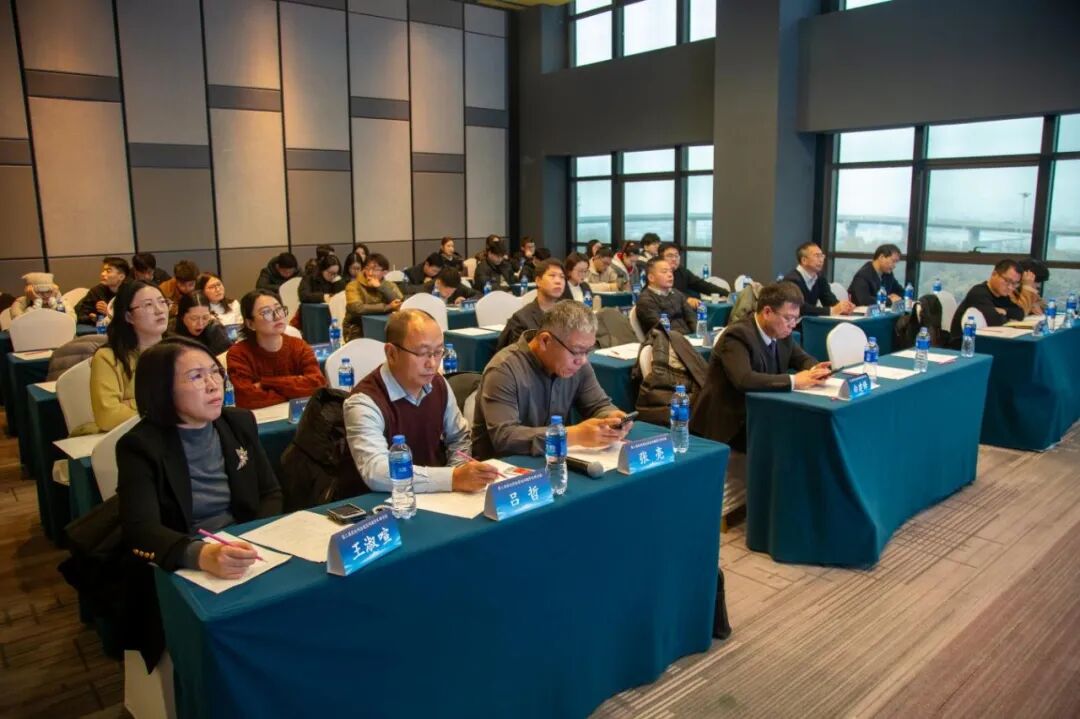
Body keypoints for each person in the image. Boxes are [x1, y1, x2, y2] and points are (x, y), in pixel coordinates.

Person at [116, 337, 282, 667]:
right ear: (162, 390)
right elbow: (140, 530)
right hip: (183, 564)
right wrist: (201, 555)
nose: (213, 384)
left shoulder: (238, 423)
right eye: (195, 376)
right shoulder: (140, 446)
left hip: (245, 551)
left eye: (215, 372)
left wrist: (250, 541)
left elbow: (270, 493)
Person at [344, 310, 500, 493]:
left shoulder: (438, 383)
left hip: (438, 496)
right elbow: (376, 472)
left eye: (438, 352)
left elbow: (459, 438)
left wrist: (456, 477)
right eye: (422, 353)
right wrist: (452, 478)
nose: (432, 364)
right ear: (391, 353)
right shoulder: (364, 402)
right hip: (385, 500)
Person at [473, 301, 632, 459]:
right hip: (505, 466)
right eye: (576, 351)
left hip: (555, 460)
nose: (582, 360)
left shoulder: (578, 365)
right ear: (545, 341)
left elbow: (598, 405)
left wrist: (611, 418)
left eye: (587, 351)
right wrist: (573, 435)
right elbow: (505, 437)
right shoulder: (503, 370)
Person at [689, 282, 830, 451]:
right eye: (788, 318)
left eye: (796, 318)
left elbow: (801, 358)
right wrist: (794, 381)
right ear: (767, 312)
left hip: (762, 410)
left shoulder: (782, 333)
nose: (793, 324)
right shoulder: (737, 335)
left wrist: (815, 369)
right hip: (732, 423)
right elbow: (744, 379)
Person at [226, 290, 327, 408]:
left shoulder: (299, 346)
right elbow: (245, 397)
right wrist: (294, 391)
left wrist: (265, 383)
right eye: (266, 312)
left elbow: (317, 385)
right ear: (250, 324)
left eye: (279, 309)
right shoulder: (238, 354)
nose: (277, 316)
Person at [90, 281, 169, 431]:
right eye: (148, 305)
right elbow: (108, 416)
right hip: (128, 436)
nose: (159, 310)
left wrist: (131, 403)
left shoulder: (180, 351)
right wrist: (163, 409)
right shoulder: (108, 357)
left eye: (162, 302)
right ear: (128, 316)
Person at [497, 259, 566, 350]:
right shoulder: (521, 320)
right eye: (552, 275)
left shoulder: (567, 315)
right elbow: (517, 356)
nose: (558, 281)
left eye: (562, 277)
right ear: (538, 281)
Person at [951, 260, 1026, 337]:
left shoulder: (1003, 295)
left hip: (987, 338)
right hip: (964, 341)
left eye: (1014, 283)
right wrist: (1004, 315)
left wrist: (1004, 311)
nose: (1010, 287)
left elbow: (1020, 313)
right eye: (1007, 281)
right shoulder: (978, 293)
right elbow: (994, 321)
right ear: (994, 274)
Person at [782, 242, 855, 317]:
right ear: (804, 260)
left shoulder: (820, 278)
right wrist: (832, 310)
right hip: (793, 322)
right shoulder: (791, 280)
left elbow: (829, 300)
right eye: (817, 256)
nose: (821, 260)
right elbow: (800, 308)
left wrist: (843, 307)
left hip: (810, 320)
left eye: (822, 256)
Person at [343, 253, 404, 341]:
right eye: (367, 268)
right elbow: (356, 308)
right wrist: (388, 307)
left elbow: (400, 304)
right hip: (357, 329)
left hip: (386, 328)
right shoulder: (353, 285)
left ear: (385, 272)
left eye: (375, 270)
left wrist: (381, 287)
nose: (370, 273)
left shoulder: (390, 285)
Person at [635, 257, 697, 334]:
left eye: (670, 271)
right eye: (664, 272)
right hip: (665, 339)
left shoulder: (677, 293)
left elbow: (692, 318)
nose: (670, 275)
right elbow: (662, 329)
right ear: (651, 278)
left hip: (687, 337)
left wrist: (697, 335)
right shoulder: (646, 300)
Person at [172, 291, 232, 356]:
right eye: (194, 318)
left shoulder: (215, 329)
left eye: (205, 317)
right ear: (182, 317)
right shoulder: (171, 331)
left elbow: (227, 356)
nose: (200, 323)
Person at [659, 243, 724, 300]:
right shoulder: (656, 272)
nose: (674, 259)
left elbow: (702, 285)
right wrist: (687, 299)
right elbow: (667, 292)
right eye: (670, 256)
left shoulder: (682, 271)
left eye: (676, 256)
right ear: (661, 258)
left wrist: (726, 293)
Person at [76, 256, 130, 325]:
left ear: (121, 276)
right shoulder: (97, 291)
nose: (103, 274)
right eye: (103, 270)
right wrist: (94, 318)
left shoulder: (131, 292)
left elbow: (132, 319)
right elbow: (80, 314)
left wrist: (109, 313)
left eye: (108, 271)